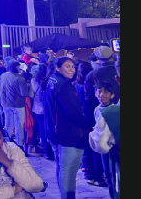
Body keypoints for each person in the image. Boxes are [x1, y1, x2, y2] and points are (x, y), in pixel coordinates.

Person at [42, 56, 90, 199]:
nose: (72, 69)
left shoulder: (51, 80)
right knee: (68, 170)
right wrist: (88, 125)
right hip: (67, 134)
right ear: (58, 67)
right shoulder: (64, 86)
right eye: (67, 66)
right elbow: (73, 112)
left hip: (53, 131)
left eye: (73, 67)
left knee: (62, 167)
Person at [89, 55, 120, 199]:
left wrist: (93, 136)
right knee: (110, 175)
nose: (102, 95)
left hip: (113, 150)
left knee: (113, 177)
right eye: (99, 92)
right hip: (110, 151)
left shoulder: (111, 111)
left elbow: (101, 143)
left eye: (105, 92)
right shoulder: (99, 110)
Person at [73, 61, 105, 188]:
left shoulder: (76, 86)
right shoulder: (92, 88)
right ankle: (97, 175)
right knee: (95, 146)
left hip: (83, 119)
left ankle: (87, 172)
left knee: (87, 146)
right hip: (92, 118)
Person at [0, 59, 29, 150]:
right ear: (15, 67)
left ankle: (6, 143)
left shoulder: (2, 76)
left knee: (8, 124)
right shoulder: (20, 78)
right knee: (19, 125)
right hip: (18, 104)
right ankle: (20, 144)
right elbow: (24, 93)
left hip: (5, 103)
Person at [83, 46, 119, 120]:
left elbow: (89, 98)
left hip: (104, 114)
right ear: (112, 56)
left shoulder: (92, 75)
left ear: (97, 58)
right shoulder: (118, 70)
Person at [30, 64, 54, 161]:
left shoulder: (34, 81)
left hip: (38, 109)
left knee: (42, 131)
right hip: (49, 109)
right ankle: (54, 150)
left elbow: (31, 95)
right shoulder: (50, 80)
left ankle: (48, 152)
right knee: (50, 129)